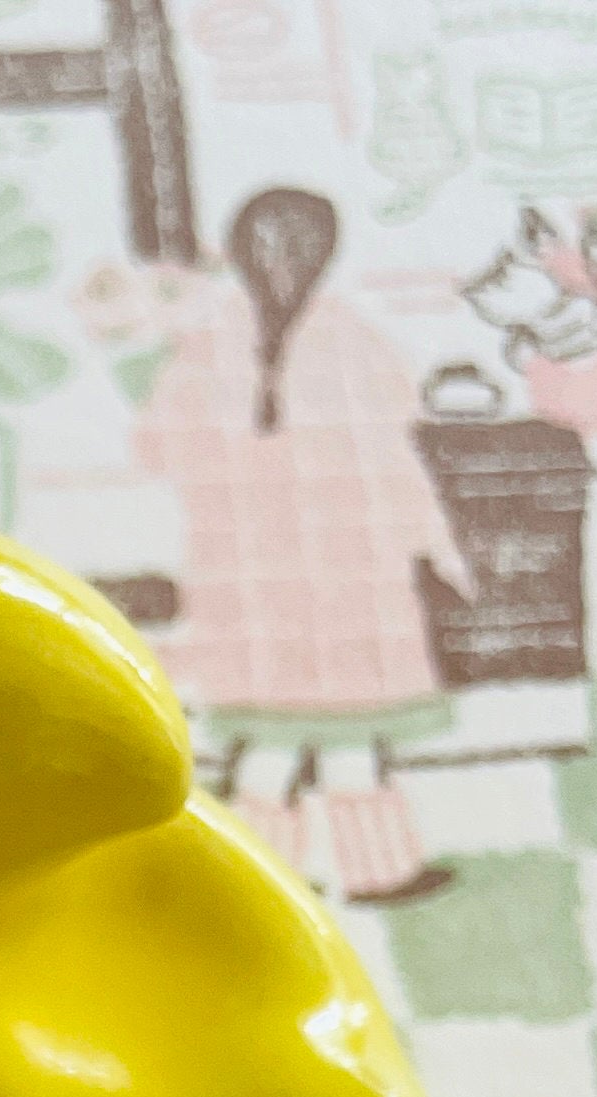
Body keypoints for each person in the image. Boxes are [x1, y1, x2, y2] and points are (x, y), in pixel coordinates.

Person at [134, 189, 467, 904]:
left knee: (303, 737)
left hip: (282, 581)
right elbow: (398, 460)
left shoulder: (212, 347)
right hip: (333, 578)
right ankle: (286, 877)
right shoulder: (349, 346)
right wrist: (433, 548)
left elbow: (158, 446)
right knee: (311, 736)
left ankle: (281, 877)